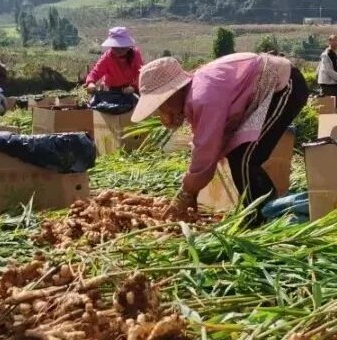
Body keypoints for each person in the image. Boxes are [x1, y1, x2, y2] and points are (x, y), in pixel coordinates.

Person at [131, 53, 308, 222]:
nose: (165, 110)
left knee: (244, 158)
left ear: (175, 91)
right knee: (240, 156)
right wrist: (190, 186)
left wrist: (187, 192)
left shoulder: (202, 96)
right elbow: (207, 141)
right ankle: (262, 213)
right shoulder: (196, 94)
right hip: (269, 90)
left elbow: (206, 149)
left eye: (163, 103)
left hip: (285, 85)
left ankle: (264, 217)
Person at [87, 27, 145, 95]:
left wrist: (133, 86)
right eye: (116, 47)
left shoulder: (135, 54)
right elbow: (96, 72)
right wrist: (91, 83)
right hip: (111, 89)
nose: (119, 50)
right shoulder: (107, 57)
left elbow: (141, 73)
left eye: (122, 47)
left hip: (130, 88)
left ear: (128, 47)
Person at [316, 35, 337, 100]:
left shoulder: (334, 54)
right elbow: (328, 70)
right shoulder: (326, 55)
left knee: (335, 107)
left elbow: (335, 66)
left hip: (334, 85)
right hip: (328, 86)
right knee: (328, 107)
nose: (336, 43)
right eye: (334, 41)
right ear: (329, 42)